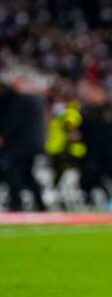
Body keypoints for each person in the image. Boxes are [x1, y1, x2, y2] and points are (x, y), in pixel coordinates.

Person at [0, 71, 47, 212]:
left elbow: (12, 122)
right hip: (32, 145)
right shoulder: (37, 100)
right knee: (26, 175)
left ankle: (16, 203)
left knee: (13, 173)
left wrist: (3, 136)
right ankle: (39, 203)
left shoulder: (22, 100)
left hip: (20, 145)